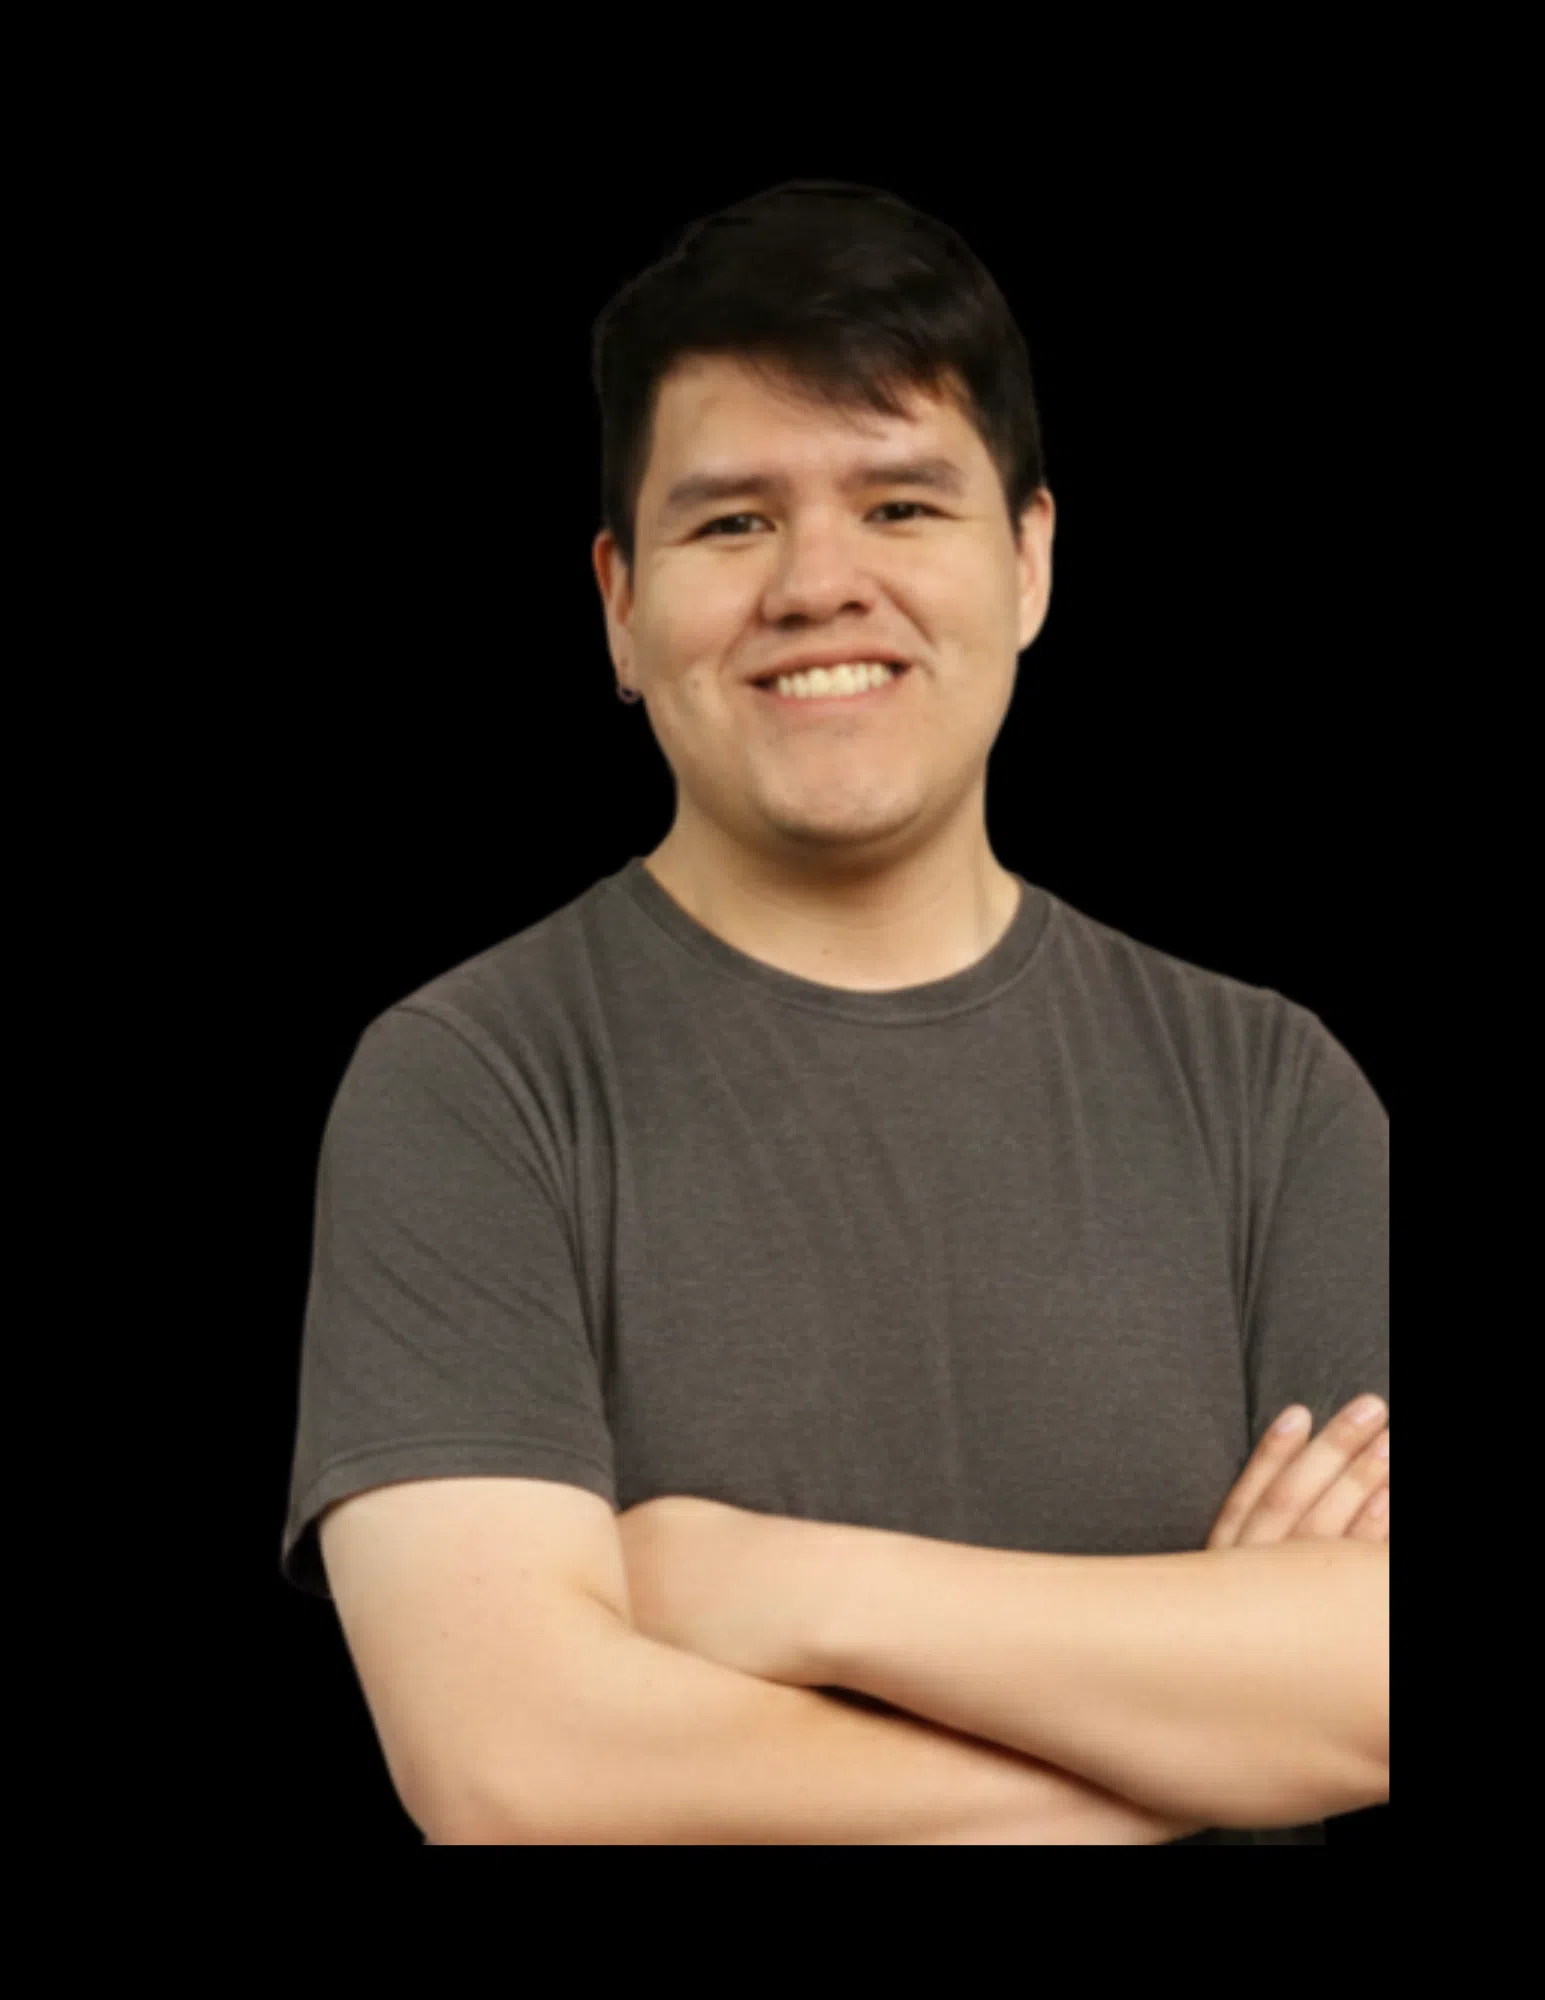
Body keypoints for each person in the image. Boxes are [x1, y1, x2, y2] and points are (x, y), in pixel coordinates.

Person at [280, 180, 1388, 1845]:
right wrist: (1193, 1743)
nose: (817, 585)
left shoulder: (1271, 1095)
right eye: (732, 524)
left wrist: (778, 1586)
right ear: (619, 606)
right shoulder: (472, 1086)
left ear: (1030, 562)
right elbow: (519, 1774)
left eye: (900, 505)